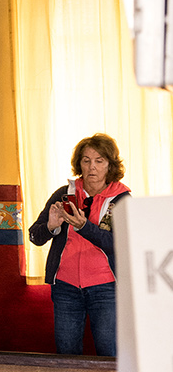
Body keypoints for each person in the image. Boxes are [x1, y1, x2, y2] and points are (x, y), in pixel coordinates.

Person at [29, 133, 130, 356]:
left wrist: (84, 226)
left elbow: (121, 245)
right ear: (79, 163)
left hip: (107, 287)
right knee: (66, 354)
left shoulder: (121, 199)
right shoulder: (64, 194)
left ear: (110, 165)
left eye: (99, 160)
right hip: (65, 287)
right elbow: (35, 236)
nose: (92, 167)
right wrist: (51, 226)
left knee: (109, 353)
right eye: (86, 160)